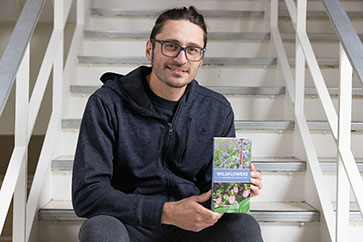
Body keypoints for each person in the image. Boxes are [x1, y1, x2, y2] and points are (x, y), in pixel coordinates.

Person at [72, 6, 263, 242]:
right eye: (171, 46)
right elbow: (88, 194)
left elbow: (212, 192)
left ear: (200, 59)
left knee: (243, 226)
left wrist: (235, 190)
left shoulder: (217, 110)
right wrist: (166, 212)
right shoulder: (106, 103)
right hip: (129, 223)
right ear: (150, 49)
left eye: (192, 50)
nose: (181, 58)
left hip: (193, 229)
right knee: (100, 230)